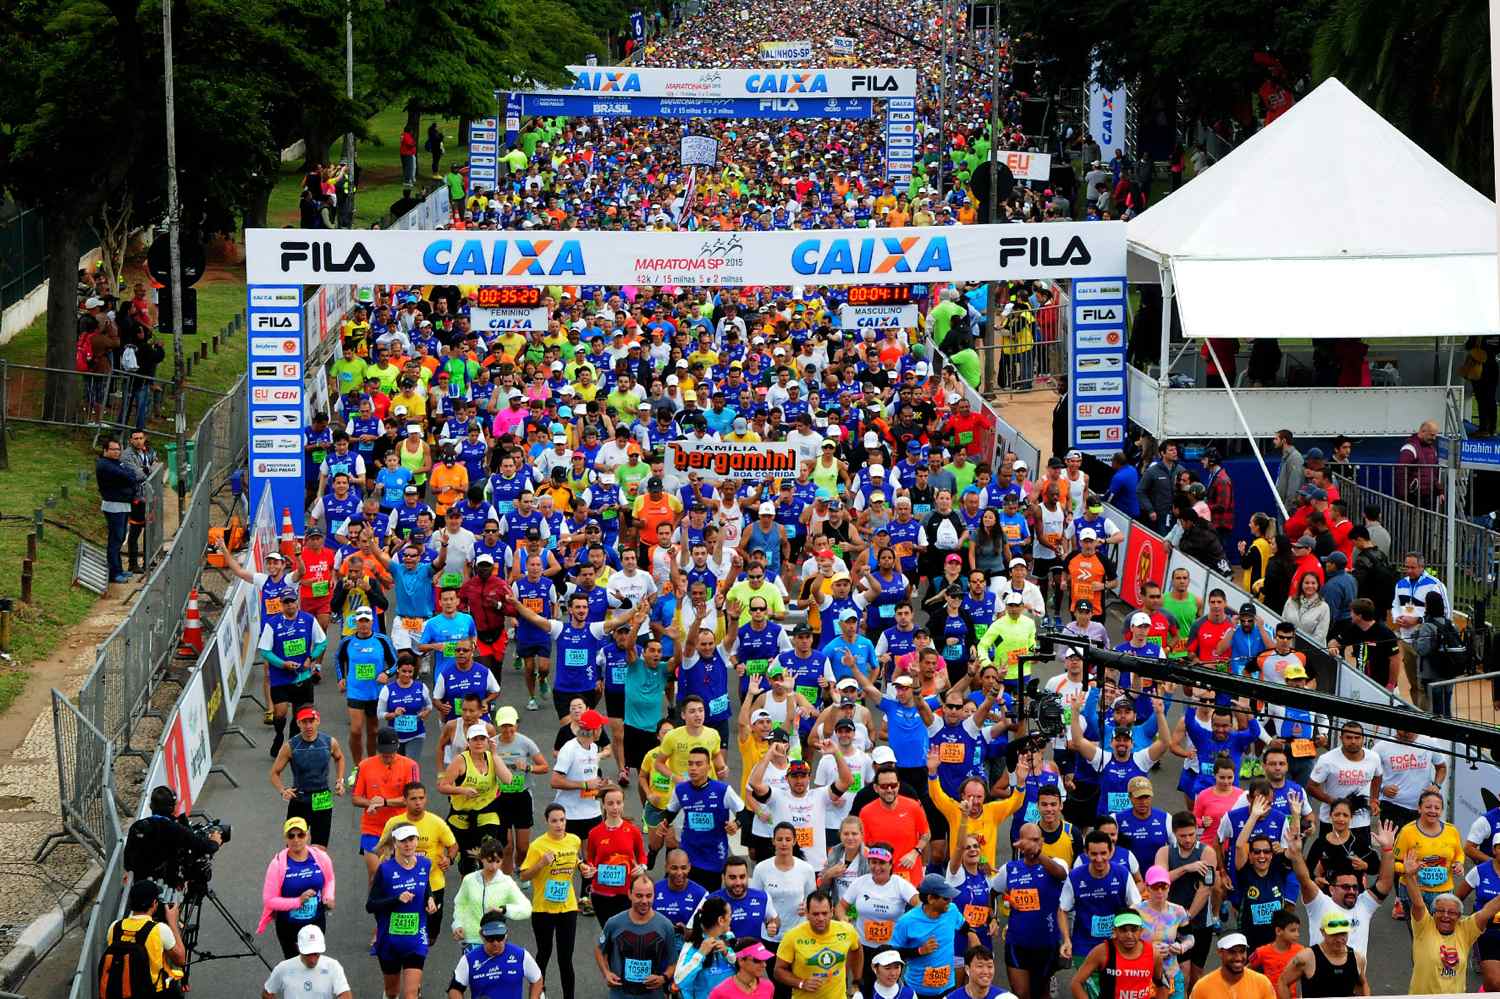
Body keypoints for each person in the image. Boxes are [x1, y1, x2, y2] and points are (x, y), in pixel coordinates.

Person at [1403, 847, 1500, 994]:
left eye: (1452, 912)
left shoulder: (1465, 930)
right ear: (1433, 913)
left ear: (1460, 916)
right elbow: (1418, 903)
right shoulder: (1424, 926)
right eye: (1440, 911)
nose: (1446, 915)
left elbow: (1487, 911)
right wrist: (1410, 876)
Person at [520, 803, 583, 999]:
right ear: (547, 822)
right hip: (543, 909)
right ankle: (539, 994)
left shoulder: (574, 840)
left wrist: (583, 867)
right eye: (554, 821)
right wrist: (540, 863)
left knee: (566, 959)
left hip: (568, 908)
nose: (559, 824)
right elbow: (523, 876)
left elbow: (575, 860)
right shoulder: (537, 845)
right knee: (544, 954)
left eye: (562, 820)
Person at [366, 823, 434, 999]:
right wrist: (396, 900)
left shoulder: (425, 864)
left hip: (416, 937)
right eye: (403, 840)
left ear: (417, 840)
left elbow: (426, 886)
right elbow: (371, 905)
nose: (408, 844)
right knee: (392, 992)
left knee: (410, 995)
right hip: (389, 939)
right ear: (395, 842)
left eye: (411, 839)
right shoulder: (385, 869)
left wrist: (430, 899)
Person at [256, 817, 337, 960]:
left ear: (308, 836)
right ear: (286, 839)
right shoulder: (278, 864)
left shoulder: (321, 857)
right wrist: (298, 901)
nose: (296, 839)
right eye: (291, 835)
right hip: (289, 926)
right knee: (294, 966)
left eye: (301, 835)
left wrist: (328, 897)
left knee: (313, 963)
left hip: (315, 922)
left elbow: (329, 879)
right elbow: (269, 901)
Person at [269, 706, 346, 847]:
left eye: (311, 721)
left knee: (320, 849)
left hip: (322, 798)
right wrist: (283, 790)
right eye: (304, 722)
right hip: (300, 800)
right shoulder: (291, 746)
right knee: (294, 847)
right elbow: (274, 773)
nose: (308, 726)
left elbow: (339, 758)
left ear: (318, 721)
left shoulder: (329, 742)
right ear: (298, 723)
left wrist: (340, 781)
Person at [596, 872, 679, 999]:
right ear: (629, 894)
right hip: (620, 995)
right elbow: (599, 950)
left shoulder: (665, 925)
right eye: (639, 896)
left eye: (649, 896)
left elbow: (673, 962)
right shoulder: (614, 923)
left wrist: (664, 978)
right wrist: (606, 973)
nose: (644, 901)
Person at [100, 879, 185, 997]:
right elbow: (180, 959)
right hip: (153, 992)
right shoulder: (159, 929)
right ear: (155, 903)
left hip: (122, 991)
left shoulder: (115, 927)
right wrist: (173, 923)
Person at [774, 888, 861, 999]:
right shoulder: (792, 936)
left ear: (832, 912)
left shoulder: (847, 930)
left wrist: (856, 981)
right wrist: (801, 983)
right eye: (815, 914)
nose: (821, 918)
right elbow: (778, 970)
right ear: (807, 914)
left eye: (825, 913)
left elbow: (857, 949)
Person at [450, 836, 533, 946]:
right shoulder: (469, 880)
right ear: (482, 859)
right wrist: (458, 924)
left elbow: (526, 908)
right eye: (490, 861)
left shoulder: (506, 882)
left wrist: (504, 910)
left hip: (496, 941)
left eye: (498, 861)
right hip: (471, 939)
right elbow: (460, 904)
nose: (493, 866)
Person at [1069, 910, 1166, 999]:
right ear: (1115, 931)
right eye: (1123, 930)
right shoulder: (1102, 951)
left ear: (1141, 931)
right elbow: (1076, 983)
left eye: (1134, 929)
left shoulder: (1153, 954)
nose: (1129, 935)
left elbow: (1162, 984)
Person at [447, 911, 544, 999]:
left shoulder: (521, 955)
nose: (495, 943)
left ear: (506, 935)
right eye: (491, 938)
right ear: (481, 935)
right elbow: (454, 989)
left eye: (499, 937)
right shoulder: (469, 960)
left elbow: (537, 979)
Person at [1274, 912, 1365, 999]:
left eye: (1343, 934)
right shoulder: (1306, 958)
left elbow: (1362, 985)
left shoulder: (1357, 958)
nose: (1339, 939)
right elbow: (1283, 982)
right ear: (1322, 932)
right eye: (1334, 934)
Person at [97, 436, 144, 583]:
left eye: (119, 449)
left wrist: (129, 476)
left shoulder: (116, 463)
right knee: (116, 540)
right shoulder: (105, 465)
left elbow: (131, 475)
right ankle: (114, 572)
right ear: (105, 450)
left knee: (120, 537)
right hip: (114, 507)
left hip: (122, 505)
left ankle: (119, 570)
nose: (117, 452)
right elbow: (129, 477)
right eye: (114, 449)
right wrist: (129, 477)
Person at [260, 925, 351, 999]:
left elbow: (345, 995)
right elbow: (267, 993)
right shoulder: (283, 968)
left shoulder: (333, 966)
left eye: (316, 954)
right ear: (298, 947)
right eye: (307, 954)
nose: (312, 960)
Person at [674, 895, 737, 999]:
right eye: (730, 915)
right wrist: (700, 954)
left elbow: (744, 969)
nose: (731, 919)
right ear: (721, 920)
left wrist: (727, 952)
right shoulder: (692, 945)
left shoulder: (730, 938)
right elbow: (679, 981)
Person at [1188, 934, 1274, 999]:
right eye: (1232, 952)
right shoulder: (1202, 987)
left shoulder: (1262, 983)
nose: (1238, 958)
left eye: (1242, 951)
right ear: (1220, 952)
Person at [710, 940, 776, 999]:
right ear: (741, 961)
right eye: (757, 960)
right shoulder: (720, 992)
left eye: (764, 960)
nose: (764, 965)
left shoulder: (769, 987)